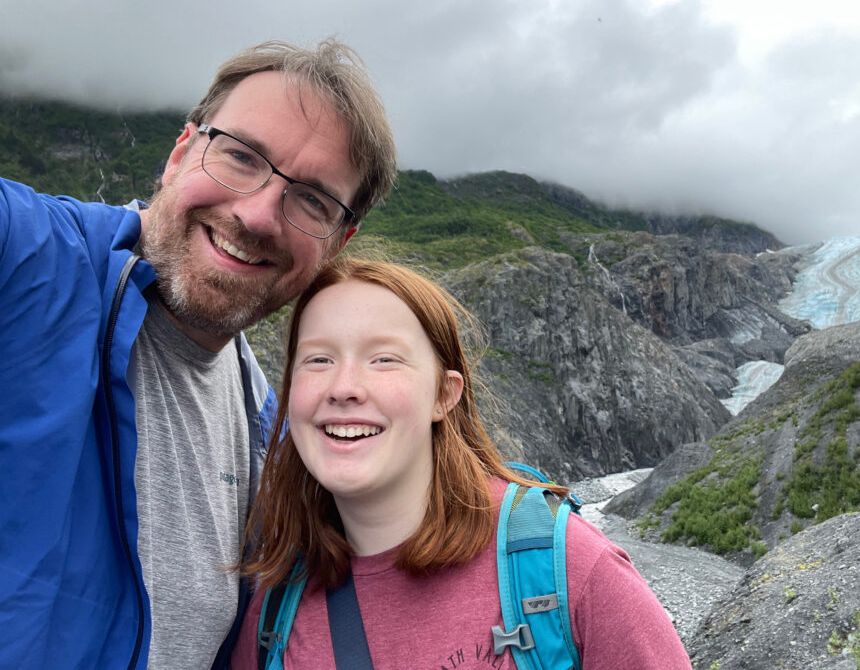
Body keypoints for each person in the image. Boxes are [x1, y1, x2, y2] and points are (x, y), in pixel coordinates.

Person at [0, 40, 397, 670]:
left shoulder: (268, 423)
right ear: (181, 150)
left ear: (337, 242)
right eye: (241, 157)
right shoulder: (30, 259)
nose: (259, 214)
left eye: (312, 201)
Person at [231, 258, 693, 669]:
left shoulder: (568, 571)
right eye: (318, 359)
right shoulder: (276, 608)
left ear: (443, 395)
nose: (344, 386)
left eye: (384, 358)